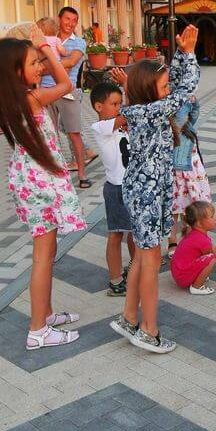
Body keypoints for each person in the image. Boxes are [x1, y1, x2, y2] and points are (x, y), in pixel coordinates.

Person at [0, 30, 86, 350]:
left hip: (30, 177)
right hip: (39, 180)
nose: (41, 67)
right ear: (14, 70)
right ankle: (38, 330)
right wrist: (46, 46)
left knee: (48, 251)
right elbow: (66, 84)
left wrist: (41, 51)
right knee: (43, 256)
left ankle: (45, 314)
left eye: (40, 61)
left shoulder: (8, 99)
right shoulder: (30, 99)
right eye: (34, 63)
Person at [109, 23, 200, 355]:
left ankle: (129, 317)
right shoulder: (150, 111)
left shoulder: (144, 107)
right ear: (150, 89)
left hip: (146, 190)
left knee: (142, 258)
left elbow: (173, 81)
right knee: (150, 261)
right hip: (146, 194)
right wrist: (189, 55)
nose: (168, 89)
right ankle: (149, 330)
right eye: (162, 87)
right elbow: (186, 87)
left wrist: (180, 54)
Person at [88, 81, 134, 297]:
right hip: (116, 188)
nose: (119, 108)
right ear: (99, 107)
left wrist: (127, 87)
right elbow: (129, 114)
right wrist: (128, 88)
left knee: (135, 232)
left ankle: (135, 268)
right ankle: (116, 281)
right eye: (114, 104)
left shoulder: (121, 127)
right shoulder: (100, 128)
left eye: (120, 103)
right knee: (116, 235)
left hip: (132, 186)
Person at [47, 7, 92, 189]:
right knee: (48, 134)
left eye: (74, 20)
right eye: (67, 19)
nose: (70, 23)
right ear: (59, 19)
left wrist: (45, 66)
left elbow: (72, 62)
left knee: (74, 133)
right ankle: (52, 174)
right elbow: (38, 60)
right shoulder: (49, 38)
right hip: (46, 91)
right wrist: (59, 66)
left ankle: (82, 175)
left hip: (68, 91)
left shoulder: (79, 42)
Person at [169, 94, 212, 252]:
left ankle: (190, 240)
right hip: (178, 174)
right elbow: (181, 116)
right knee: (174, 209)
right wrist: (183, 97)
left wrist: (194, 100)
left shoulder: (189, 126)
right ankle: (172, 241)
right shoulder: (172, 128)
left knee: (192, 207)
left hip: (193, 172)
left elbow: (194, 113)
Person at [171, 200, 216, 296]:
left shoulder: (193, 233)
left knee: (209, 257)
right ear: (199, 223)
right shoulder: (202, 240)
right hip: (182, 276)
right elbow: (214, 254)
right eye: (211, 216)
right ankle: (196, 287)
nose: (215, 218)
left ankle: (198, 277)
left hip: (179, 273)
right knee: (211, 259)